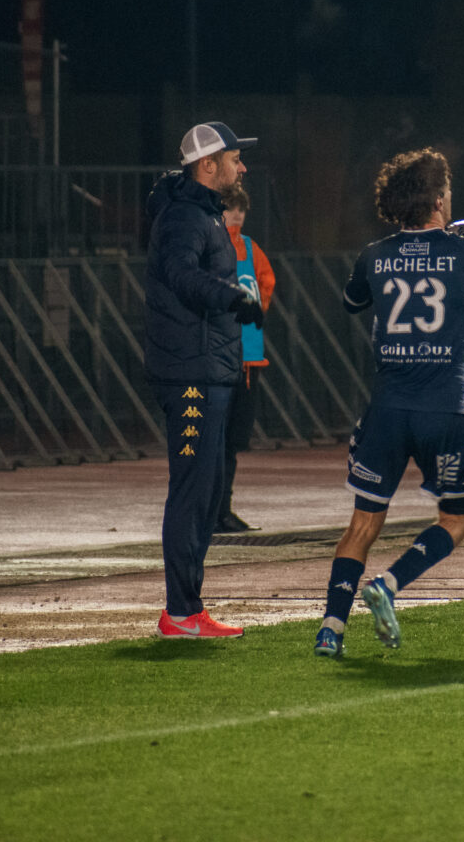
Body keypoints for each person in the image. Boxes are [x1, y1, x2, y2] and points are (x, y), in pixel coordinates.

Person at [313, 147, 464, 658]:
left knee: (362, 524)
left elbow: (352, 302)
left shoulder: (374, 254)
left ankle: (331, 629)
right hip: (444, 413)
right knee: (457, 519)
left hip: (386, 412)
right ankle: (389, 584)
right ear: (439, 199)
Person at [145, 121, 263, 639]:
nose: (243, 167)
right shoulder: (185, 217)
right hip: (190, 373)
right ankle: (180, 612)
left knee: (207, 492)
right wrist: (231, 296)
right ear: (208, 165)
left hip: (207, 369)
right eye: (235, 159)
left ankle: (189, 608)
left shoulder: (204, 214)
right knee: (193, 491)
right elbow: (180, 273)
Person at [215, 184, 275, 533]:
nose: (236, 215)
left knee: (234, 441)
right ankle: (214, 509)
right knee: (217, 439)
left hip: (249, 358)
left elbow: (267, 281)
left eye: (240, 209)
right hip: (223, 358)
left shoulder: (250, 248)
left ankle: (223, 508)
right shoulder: (214, 246)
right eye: (230, 208)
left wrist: (259, 308)